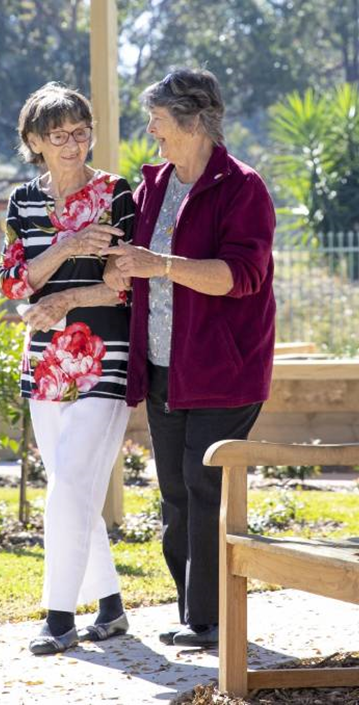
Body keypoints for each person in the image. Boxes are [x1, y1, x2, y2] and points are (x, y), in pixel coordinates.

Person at [103, 68, 276, 647]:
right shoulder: (153, 184)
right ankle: (193, 611)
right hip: (160, 366)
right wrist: (121, 265)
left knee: (205, 490)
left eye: (159, 118)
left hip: (224, 372)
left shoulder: (242, 187)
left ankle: (210, 619)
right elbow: (136, 262)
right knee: (175, 492)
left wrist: (163, 265)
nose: (150, 129)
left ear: (195, 120)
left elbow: (243, 276)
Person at [0, 82, 135, 655]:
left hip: (107, 356)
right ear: (34, 141)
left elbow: (125, 282)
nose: (74, 145)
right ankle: (111, 607)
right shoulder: (23, 201)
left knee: (72, 483)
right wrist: (69, 243)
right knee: (68, 487)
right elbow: (13, 282)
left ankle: (57, 618)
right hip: (44, 360)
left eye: (82, 133)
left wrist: (63, 300)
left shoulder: (115, 193)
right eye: (60, 137)